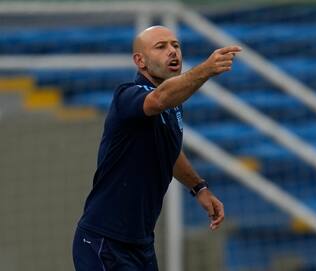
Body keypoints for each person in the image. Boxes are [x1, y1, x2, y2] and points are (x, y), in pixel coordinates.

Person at [72, 25, 241, 271]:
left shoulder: (173, 104)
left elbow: (168, 150)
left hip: (140, 244)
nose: (172, 51)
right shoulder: (128, 96)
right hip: (104, 241)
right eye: (161, 47)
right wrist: (205, 70)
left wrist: (198, 187)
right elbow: (158, 99)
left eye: (176, 45)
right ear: (140, 61)